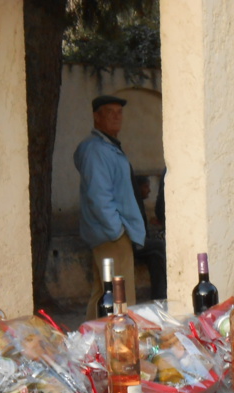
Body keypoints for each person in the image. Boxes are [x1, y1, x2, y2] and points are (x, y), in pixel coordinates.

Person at [74, 94, 146, 318]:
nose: (116, 117)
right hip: (111, 235)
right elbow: (99, 196)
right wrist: (117, 230)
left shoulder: (107, 147)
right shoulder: (97, 150)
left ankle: (91, 344)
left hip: (109, 233)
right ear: (97, 117)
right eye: (109, 113)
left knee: (102, 293)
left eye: (119, 112)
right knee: (120, 297)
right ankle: (118, 345)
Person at [132, 174, 168, 300]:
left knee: (155, 256)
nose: (149, 190)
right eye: (146, 187)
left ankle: (160, 295)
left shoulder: (138, 203)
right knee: (160, 246)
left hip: (140, 241)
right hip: (134, 242)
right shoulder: (133, 204)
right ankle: (160, 294)